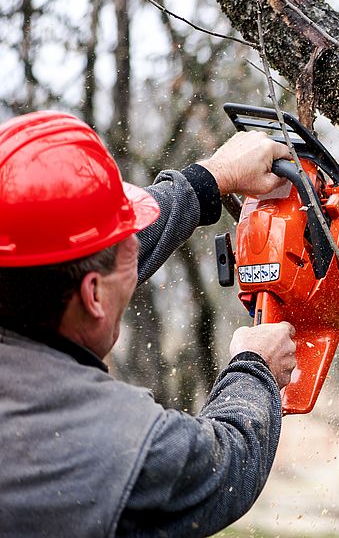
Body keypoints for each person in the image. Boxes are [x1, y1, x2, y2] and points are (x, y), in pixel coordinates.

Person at [0, 110, 296, 537]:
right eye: (129, 252)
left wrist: (210, 179)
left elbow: (78, 249)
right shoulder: (110, 446)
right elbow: (225, 463)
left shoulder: (23, 280)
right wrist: (255, 367)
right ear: (93, 296)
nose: (137, 251)